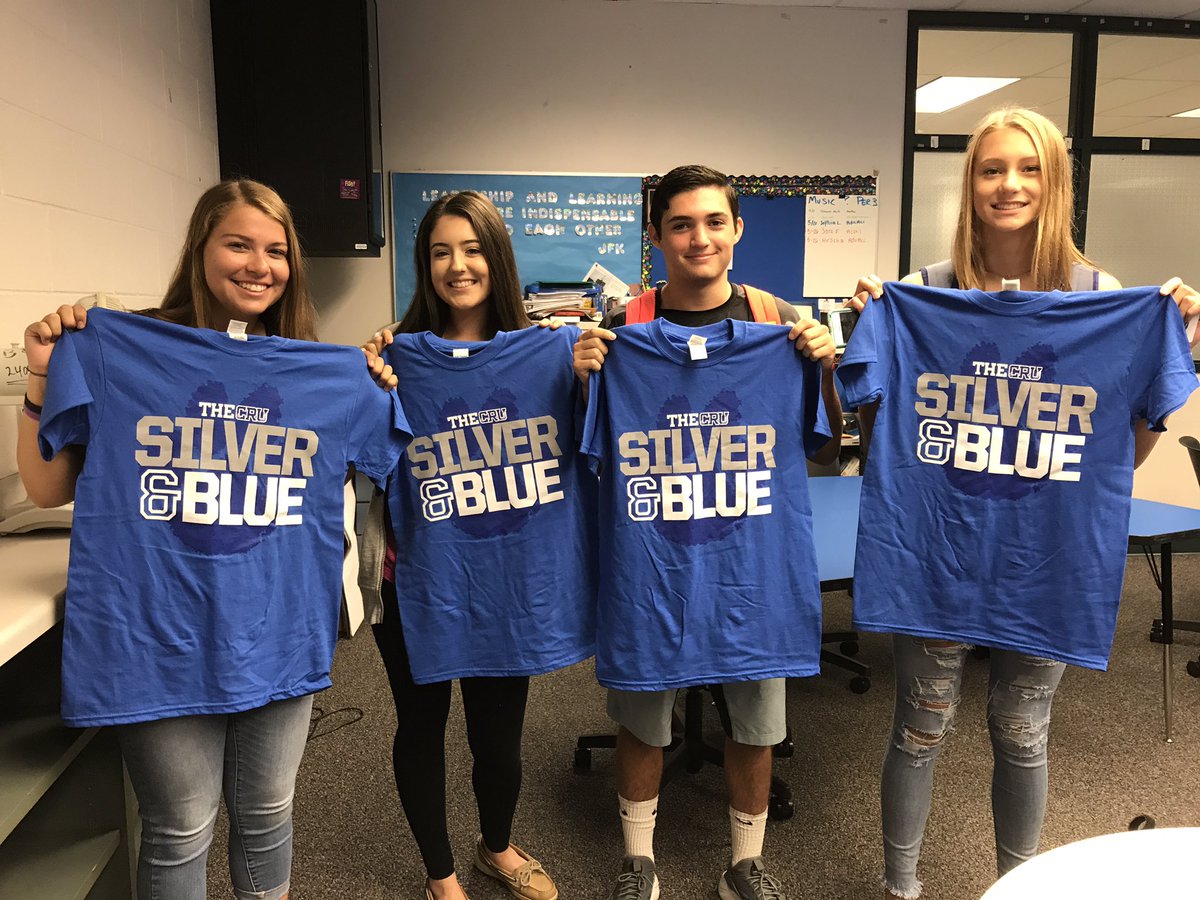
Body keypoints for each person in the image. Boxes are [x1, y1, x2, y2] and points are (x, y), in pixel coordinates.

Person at [845, 106, 1200, 900]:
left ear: (1057, 182)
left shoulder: (1102, 297)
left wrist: (1172, 336)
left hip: (1047, 559)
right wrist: (875, 326)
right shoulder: (922, 294)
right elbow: (888, 438)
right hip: (939, 552)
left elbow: (1124, 453)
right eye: (991, 168)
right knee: (918, 727)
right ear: (968, 184)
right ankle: (898, 888)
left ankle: (1019, 887)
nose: (1009, 185)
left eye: (1029, 168)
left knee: (1023, 732)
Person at [17, 178, 406, 900]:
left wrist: (375, 379)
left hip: (279, 629)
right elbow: (47, 490)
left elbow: (392, 464)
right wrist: (43, 371)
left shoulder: (326, 373)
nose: (260, 265)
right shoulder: (114, 346)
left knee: (267, 818)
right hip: (155, 633)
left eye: (276, 251)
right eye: (238, 244)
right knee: (180, 829)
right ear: (200, 248)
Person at [573, 164, 842, 900]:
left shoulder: (778, 322)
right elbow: (582, 450)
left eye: (714, 222)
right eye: (682, 224)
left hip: (751, 564)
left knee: (757, 720)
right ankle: (638, 861)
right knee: (642, 712)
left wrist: (820, 368)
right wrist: (583, 377)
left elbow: (822, 443)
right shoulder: (620, 329)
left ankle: (746, 865)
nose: (699, 237)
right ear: (656, 236)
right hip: (648, 562)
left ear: (737, 229)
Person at [359, 190, 590, 900]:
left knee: (499, 738)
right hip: (418, 579)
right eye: (439, 251)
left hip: (511, 580)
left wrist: (589, 378)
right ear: (424, 265)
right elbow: (360, 456)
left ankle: (497, 846)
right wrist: (367, 385)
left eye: (472, 248)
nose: (457, 266)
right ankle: (441, 877)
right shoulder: (393, 358)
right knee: (421, 728)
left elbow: (601, 445)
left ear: (498, 257)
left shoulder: (554, 355)